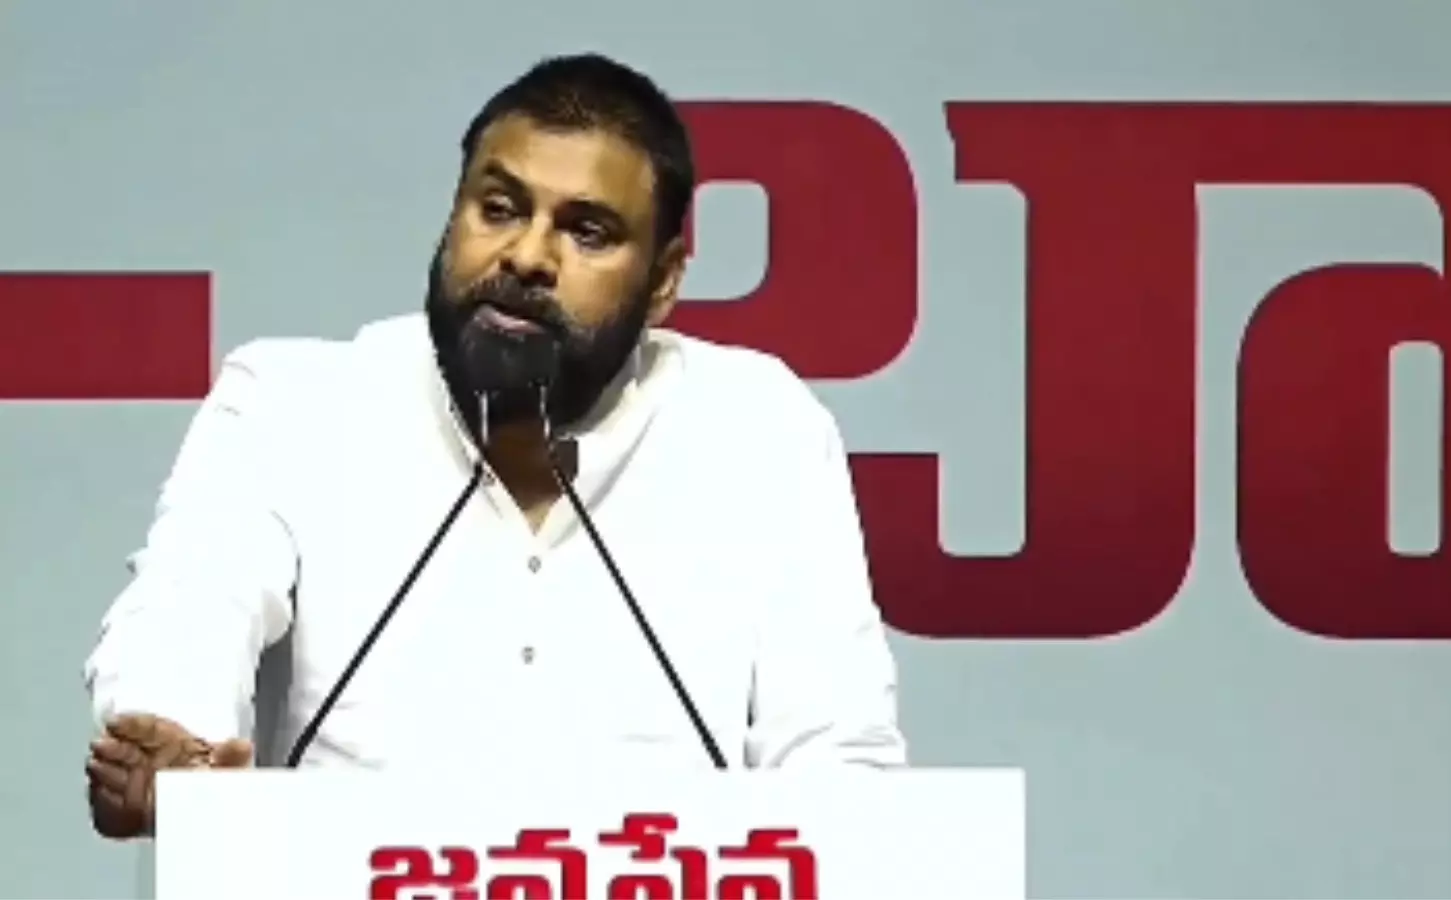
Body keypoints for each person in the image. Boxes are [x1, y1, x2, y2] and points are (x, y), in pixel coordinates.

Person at [82, 52, 906, 839]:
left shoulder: (759, 433)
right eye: (500, 208)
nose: (527, 256)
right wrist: (176, 743)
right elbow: (186, 610)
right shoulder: (293, 406)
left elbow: (839, 758)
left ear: (663, 281)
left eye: (588, 232)